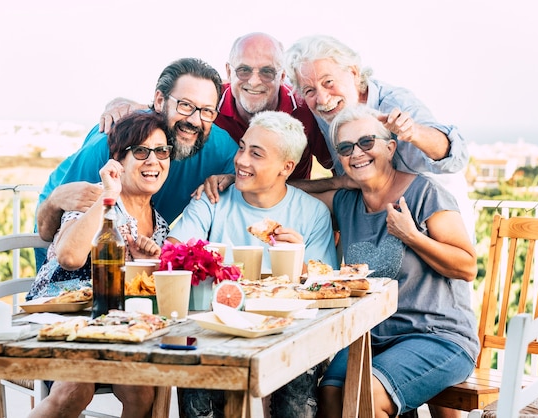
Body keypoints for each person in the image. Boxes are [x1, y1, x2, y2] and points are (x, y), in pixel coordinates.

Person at [311, 105, 479, 418]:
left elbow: (467, 266)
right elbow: (282, 189)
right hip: (371, 336)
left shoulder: (425, 193)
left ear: (390, 147)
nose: (357, 153)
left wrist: (413, 236)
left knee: (367, 396)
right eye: (345, 148)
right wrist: (337, 183)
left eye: (366, 142)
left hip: (437, 335)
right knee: (330, 394)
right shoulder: (346, 202)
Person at [170, 111, 338, 418]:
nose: (242, 161)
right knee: (195, 373)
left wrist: (298, 263)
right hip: (215, 330)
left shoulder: (312, 214)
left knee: (296, 389)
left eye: (256, 154)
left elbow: (323, 290)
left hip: (289, 333)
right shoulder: (212, 199)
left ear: (286, 167)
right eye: (242, 147)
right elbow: (173, 252)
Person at [26, 111, 171, 418]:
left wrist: (148, 265)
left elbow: (139, 293)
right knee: (75, 389)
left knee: (143, 389)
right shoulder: (94, 196)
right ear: (118, 158)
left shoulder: (160, 224)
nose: (153, 161)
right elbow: (69, 257)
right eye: (141, 151)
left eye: (161, 151)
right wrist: (107, 196)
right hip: (60, 319)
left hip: (113, 326)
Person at [34, 57, 238, 268]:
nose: (195, 120)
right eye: (185, 105)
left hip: (137, 242)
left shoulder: (219, 146)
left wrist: (231, 177)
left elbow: (250, 172)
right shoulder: (112, 141)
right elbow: (54, 237)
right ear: (160, 101)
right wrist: (54, 201)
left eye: (206, 111)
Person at [283, 34, 475, 242]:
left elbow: (455, 158)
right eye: (309, 90)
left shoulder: (395, 102)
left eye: (328, 82)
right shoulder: (322, 113)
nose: (322, 98)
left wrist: (414, 132)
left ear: (354, 73)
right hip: (376, 228)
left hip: (436, 229)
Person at [99, 32, 333, 184]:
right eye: (243, 70)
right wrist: (120, 102)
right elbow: (168, 107)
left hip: (291, 206)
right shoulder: (206, 101)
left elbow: (338, 171)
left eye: (267, 71)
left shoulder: (306, 108)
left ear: (282, 75)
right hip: (221, 208)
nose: (254, 81)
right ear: (229, 72)